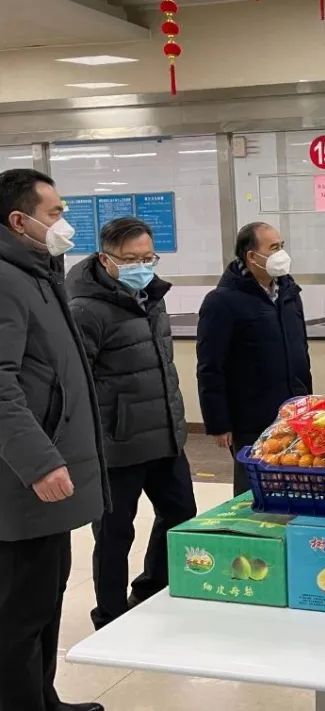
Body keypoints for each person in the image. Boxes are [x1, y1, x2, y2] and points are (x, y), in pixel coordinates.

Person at [0, 168, 108, 711]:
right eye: (56, 213)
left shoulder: (37, 271)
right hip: (20, 483)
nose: (66, 223)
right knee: (18, 616)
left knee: (45, 600)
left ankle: (43, 698)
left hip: (46, 476)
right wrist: (40, 462)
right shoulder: (4, 279)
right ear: (19, 221)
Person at [67, 217, 197, 629]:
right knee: (114, 534)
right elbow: (76, 382)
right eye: (130, 259)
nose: (141, 266)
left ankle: (151, 587)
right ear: (105, 259)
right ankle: (109, 615)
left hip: (165, 435)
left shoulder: (152, 296)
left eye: (148, 258)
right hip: (117, 444)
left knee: (181, 515)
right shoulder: (85, 309)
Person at [197, 222, 312, 495]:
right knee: (254, 491)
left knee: (293, 485)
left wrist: (307, 403)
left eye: (282, 246)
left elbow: (301, 351)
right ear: (251, 256)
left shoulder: (289, 294)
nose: (281, 254)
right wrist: (219, 423)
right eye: (273, 248)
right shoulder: (222, 301)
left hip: (293, 413)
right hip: (251, 418)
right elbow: (210, 366)